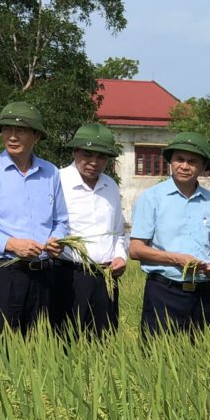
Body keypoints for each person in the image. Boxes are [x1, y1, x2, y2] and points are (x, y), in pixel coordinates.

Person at [0, 101, 72, 335]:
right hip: (3, 275)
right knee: (1, 348)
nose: (12, 136)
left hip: (45, 277)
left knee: (43, 348)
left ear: (36, 136)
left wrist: (56, 240)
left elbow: (60, 221)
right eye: (7, 129)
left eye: (20, 130)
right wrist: (10, 244)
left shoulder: (50, 172)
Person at [128, 131, 210, 337]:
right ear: (171, 161)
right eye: (179, 159)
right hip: (164, 291)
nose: (184, 166)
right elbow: (135, 249)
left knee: (202, 352)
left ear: (203, 166)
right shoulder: (152, 198)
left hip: (203, 293)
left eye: (192, 161)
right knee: (159, 353)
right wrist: (176, 258)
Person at [58, 122, 129, 336]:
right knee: (66, 339)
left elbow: (118, 232)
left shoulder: (111, 186)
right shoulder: (57, 181)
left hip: (106, 277)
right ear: (75, 151)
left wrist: (120, 256)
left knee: (104, 339)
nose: (94, 162)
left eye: (101, 157)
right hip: (69, 275)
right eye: (87, 155)